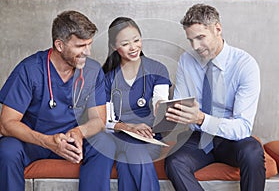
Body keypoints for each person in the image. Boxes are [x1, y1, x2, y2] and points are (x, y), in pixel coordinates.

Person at [0, 10, 114, 191]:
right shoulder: (29, 70)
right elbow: (6, 124)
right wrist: (47, 141)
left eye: (89, 44)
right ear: (59, 45)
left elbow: (98, 120)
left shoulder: (92, 71)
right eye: (80, 46)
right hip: (34, 141)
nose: (87, 52)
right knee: (6, 149)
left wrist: (78, 132)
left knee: (104, 143)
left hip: (74, 142)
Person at [164, 4, 266, 191]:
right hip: (199, 138)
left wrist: (202, 118)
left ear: (217, 29)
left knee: (253, 151)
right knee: (174, 162)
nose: (195, 46)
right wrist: (166, 111)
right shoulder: (187, 60)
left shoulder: (245, 65)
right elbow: (180, 103)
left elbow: (243, 127)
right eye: (191, 40)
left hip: (232, 141)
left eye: (200, 37)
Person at [102, 17, 172, 191]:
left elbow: (160, 101)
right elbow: (104, 120)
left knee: (128, 163)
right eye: (125, 44)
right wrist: (128, 127)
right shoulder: (106, 77)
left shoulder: (157, 69)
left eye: (136, 40)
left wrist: (161, 107)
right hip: (117, 137)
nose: (133, 47)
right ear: (113, 47)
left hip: (149, 138)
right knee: (132, 150)